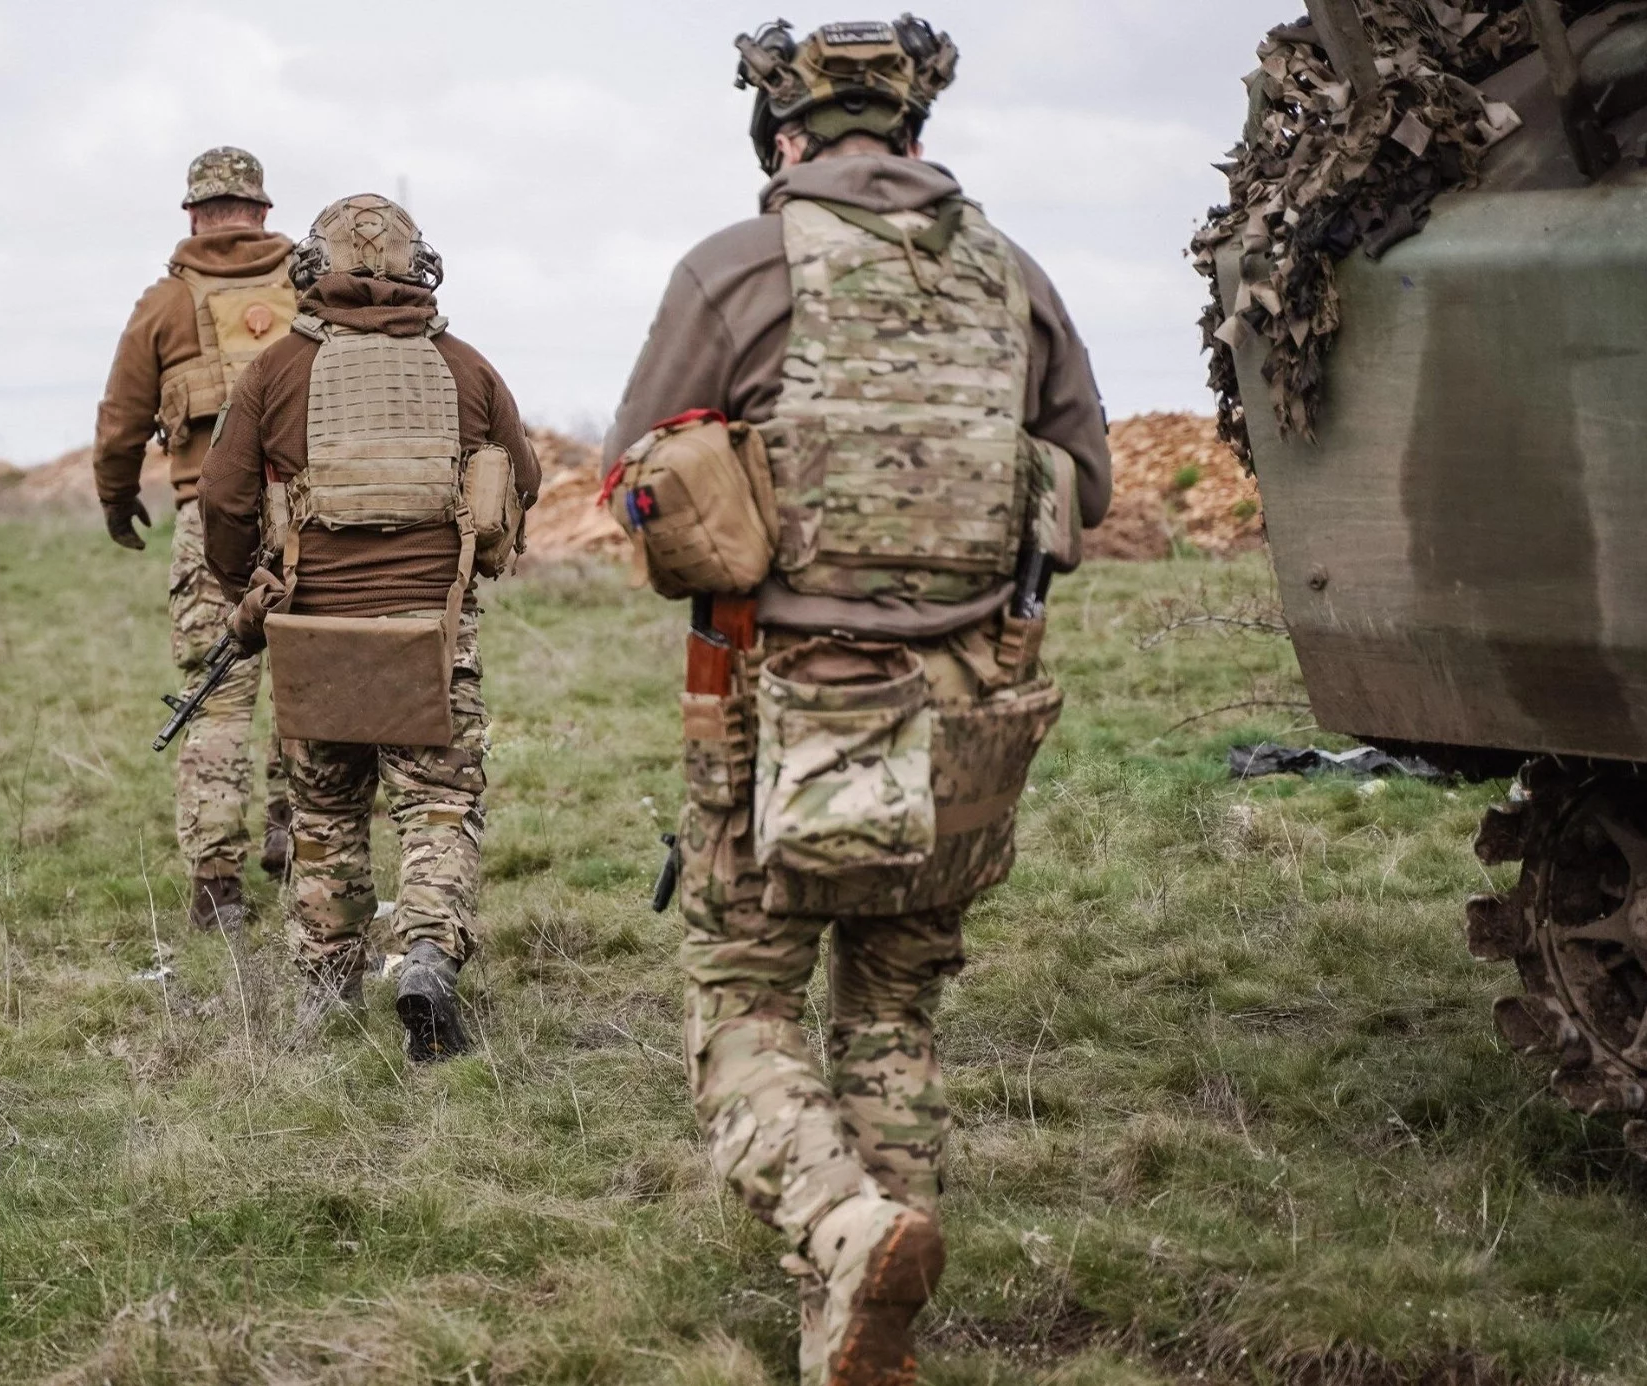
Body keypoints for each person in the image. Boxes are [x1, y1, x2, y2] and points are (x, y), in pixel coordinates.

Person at [605, 17, 1111, 1384]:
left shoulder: (734, 268)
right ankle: (870, 1307)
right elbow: (1090, 486)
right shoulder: (1020, 279)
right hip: (968, 717)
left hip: (786, 712)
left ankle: (844, 1228)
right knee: (894, 1012)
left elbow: (634, 480)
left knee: (744, 1004)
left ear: (783, 139)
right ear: (916, 136)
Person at [198, 195, 540, 1061]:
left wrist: (249, 590)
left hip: (314, 633)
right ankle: (425, 952)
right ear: (418, 266)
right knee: (437, 807)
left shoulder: (277, 370)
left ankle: (325, 984)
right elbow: (523, 478)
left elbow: (225, 501)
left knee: (325, 812)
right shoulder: (465, 366)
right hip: (432, 632)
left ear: (314, 271)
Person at [93, 146, 297, 932]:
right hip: (305, 519)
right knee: (309, 682)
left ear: (193, 215)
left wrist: (118, 500)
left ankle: (218, 892)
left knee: (216, 701)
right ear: (263, 212)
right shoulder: (306, 285)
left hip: (206, 522)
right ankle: (300, 835)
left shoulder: (165, 303)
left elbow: (120, 421)